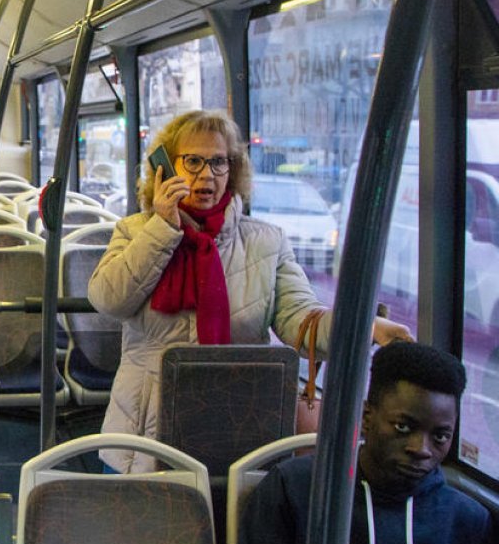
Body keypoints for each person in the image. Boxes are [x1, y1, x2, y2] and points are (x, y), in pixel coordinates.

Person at [87, 110, 411, 472]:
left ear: (233, 170)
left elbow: (300, 320)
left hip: (240, 419)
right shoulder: (136, 231)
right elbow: (108, 300)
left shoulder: (266, 242)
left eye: (219, 162)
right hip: (146, 428)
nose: (207, 174)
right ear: (165, 169)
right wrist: (163, 228)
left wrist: (362, 328)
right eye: (193, 161)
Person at [236, 341, 498, 544]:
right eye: (404, 427)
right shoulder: (295, 488)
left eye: (441, 437)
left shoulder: (469, 524)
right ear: (368, 415)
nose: (422, 449)